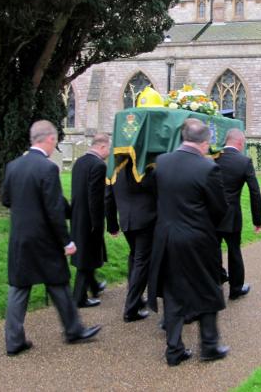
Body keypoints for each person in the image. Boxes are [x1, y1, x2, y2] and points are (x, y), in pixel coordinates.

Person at [1, 120, 101, 356]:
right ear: (48, 139)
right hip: (44, 240)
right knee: (58, 283)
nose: (54, 145)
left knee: (19, 288)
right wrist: (67, 241)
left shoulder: (13, 166)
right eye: (55, 141)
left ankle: (14, 341)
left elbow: (6, 199)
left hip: (20, 239)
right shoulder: (47, 168)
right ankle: (73, 330)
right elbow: (54, 210)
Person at [147, 119, 229, 366]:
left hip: (166, 237)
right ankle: (209, 345)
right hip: (197, 239)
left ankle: (174, 350)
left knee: (172, 293)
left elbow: (155, 196)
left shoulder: (162, 162)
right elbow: (220, 208)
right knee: (207, 287)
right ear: (204, 143)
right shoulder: (208, 168)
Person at [105, 157, 156, 322]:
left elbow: (108, 197)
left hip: (127, 221)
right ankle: (131, 308)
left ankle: (137, 299)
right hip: (145, 220)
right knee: (142, 262)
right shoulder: (143, 166)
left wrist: (112, 225)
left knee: (135, 258)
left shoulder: (114, 168)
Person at [215, 128, 261, 299]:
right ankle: (236, 288)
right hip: (232, 215)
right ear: (240, 142)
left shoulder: (213, 157)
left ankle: (216, 281)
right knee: (234, 250)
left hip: (211, 213)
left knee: (213, 249)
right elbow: (255, 192)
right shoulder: (244, 162)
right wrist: (258, 220)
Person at [70, 134, 111, 308]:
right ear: (101, 147)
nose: (109, 151)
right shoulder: (99, 165)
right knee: (87, 258)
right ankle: (78, 298)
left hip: (77, 216)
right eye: (108, 147)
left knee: (88, 254)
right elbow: (95, 197)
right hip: (90, 220)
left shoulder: (79, 162)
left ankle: (94, 286)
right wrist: (97, 223)